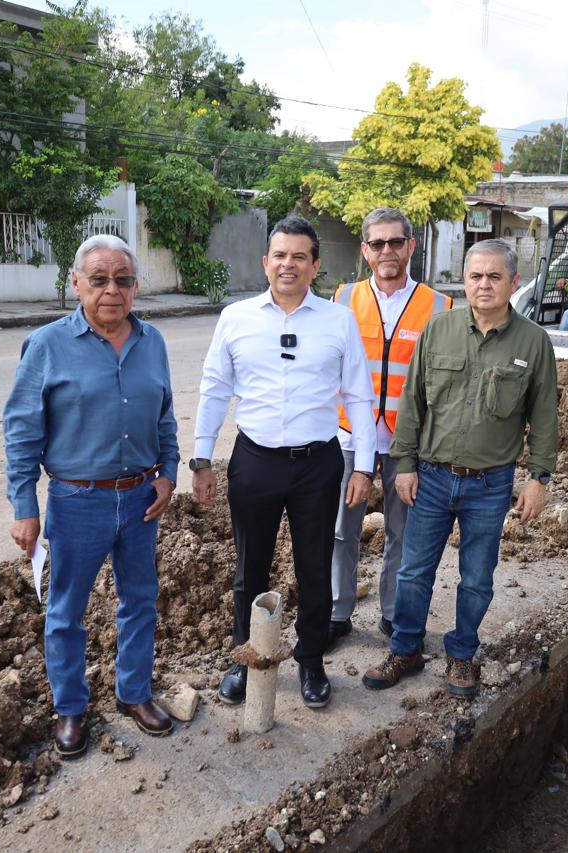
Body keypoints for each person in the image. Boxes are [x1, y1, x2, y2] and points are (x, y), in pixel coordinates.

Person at [3, 234, 179, 757]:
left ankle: (134, 693)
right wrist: (24, 507)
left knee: (140, 600)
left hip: (141, 498)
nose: (111, 290)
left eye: (123, 280)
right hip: (78, 501)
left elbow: (165, 414)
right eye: (98, 279)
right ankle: (72, 708)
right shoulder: (47, 345)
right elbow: (21, 430)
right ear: (75, 283)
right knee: (66, 611)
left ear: (136, 288)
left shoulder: (153, 342)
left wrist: (168, 473)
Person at [191, 216, 376, 710]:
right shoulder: (236, 318)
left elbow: (359, 394)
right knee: (249, 570)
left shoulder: (338, 321)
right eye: (279, 255)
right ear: (265, 262)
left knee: (315, 566)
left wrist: (364, 466)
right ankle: (244, 659)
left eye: (299, 256)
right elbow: (214, 390)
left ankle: (311, 661)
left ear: (315, 265)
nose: (288, 264)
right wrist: (201, 457)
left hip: (319, 465)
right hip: (255, 462)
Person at [363, 239, 559, 698]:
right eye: (475, 276)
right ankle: (406, 648)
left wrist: (538, 478)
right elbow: (411, 403)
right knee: (413, 571)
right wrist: (404, 464)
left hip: (490, 486)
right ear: (464, 281)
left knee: (476, 577)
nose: (484, 285)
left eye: (494, 277)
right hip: (430, 478)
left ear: (514, 282)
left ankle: (462, 655)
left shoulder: (533, 342)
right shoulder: (440, 330)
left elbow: (545, 416)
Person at [327, 208, 452, 649]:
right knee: (341, 530)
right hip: (348, 438)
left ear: (410, 246)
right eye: (377, 243)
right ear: (365, 250)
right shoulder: (341, 299)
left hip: (407, 444)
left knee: (405, 532)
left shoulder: (439, 307)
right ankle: (337, 611)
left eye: (395, 242)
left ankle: (394, 613)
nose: (386, 251)